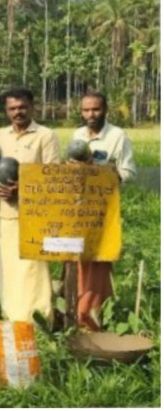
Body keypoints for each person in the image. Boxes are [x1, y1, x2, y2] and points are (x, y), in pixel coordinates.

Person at [67, 92, 136, 330]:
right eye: (86, 110)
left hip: (103, 212)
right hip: (77, 210)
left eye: (95, 109)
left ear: (105, 110)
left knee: (98, 264)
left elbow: (128, 173)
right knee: (76, 262)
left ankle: (94, 319)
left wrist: (96, 171)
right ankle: (76, 315)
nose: (90, 115)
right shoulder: (77, 136)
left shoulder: (117, 136)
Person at [0, 87, 61, 323]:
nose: (18, 112)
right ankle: (12, 316)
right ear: (6, 111)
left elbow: (54, 177)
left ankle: (39, 319)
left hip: (34, 214)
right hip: (5, 213)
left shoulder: (45, 135)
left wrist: (22, 190)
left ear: (32, 107)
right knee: (8, 267)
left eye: (22, 107)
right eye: (12, 108)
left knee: (33, 270)